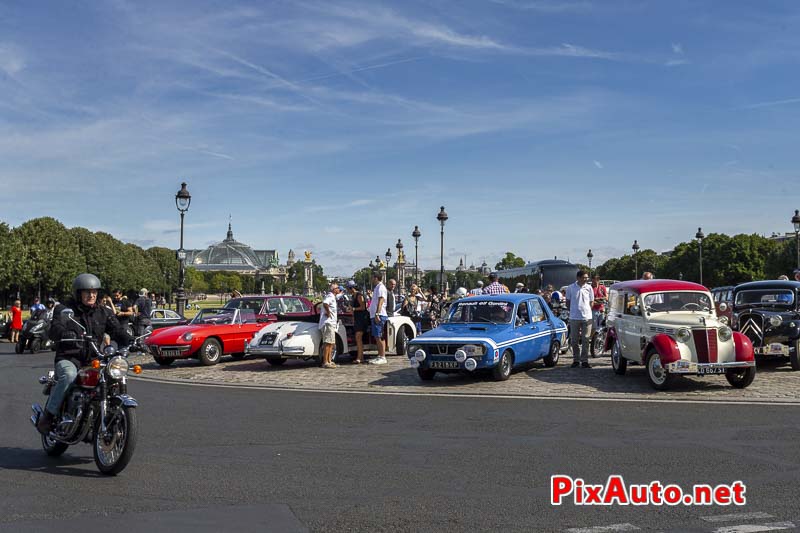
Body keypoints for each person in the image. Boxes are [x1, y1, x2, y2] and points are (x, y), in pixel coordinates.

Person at [36, 273, 132, 435]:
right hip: (69, 357)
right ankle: (48, 416)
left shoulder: (104, 312)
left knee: (112, 377)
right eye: (87, 291)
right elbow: (54, 329)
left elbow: (117, 330)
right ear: (78, 293)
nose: (91, 295)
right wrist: (65, 334)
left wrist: (134, 341)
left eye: (94, 292)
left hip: (94, 359)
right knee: (69, 375)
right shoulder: (65, 310)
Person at [565, 270, 594, 368]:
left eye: (586, 277)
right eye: (584, 277)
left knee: (586, 339)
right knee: (574, 340)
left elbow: (591, 301)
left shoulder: (589, 288)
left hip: (587, 317)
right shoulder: (570, 288)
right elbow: (567, 302)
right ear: (578, 278)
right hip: (574, 317)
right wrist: (573, 310)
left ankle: (585, 360)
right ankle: (576, 359)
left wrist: (587, 310)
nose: (586, 279)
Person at [346, 281, 369, 364]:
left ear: (351, 288)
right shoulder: (354, 296)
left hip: (362, 319)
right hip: (357, 318)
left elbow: (363, 307)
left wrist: (354, 309)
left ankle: (360, 357)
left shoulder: (359, 295)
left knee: (358, 337)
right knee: (358, 338)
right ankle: (360, 356)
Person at [368, 272, 388, 365]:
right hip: (375, 314)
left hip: (379, 315)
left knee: (380, 336)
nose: (371, 279)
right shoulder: (377, 287)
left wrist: (377, 313)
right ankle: (380, 355)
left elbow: (381, 300)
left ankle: (382, 356)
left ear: (376, 278)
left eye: (372, 277)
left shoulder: (381, 287)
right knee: (377, 336)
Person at [319, 283, 340, 369]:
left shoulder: (333, 297)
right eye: (337, 288)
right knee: (327, 343)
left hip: (331, 323)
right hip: (328, 323)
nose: (338, 289)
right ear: (334, 289)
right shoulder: (330, 296)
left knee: (331, 343)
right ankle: (325, 362)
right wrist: (328, 312)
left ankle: (329, 360)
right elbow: (325, 303)